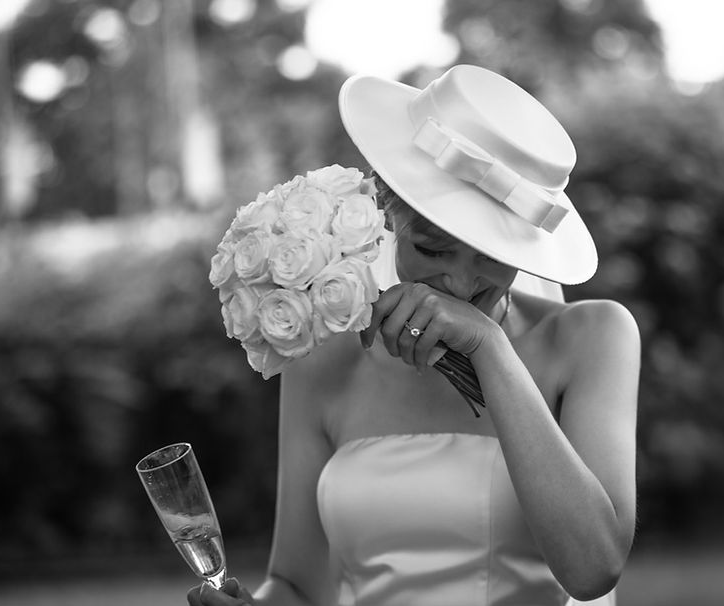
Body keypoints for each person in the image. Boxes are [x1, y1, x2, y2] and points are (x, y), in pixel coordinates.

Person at [189, 65, 640, 606]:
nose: (460, 283)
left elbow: (593, 569)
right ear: (386, 214)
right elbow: (299, 585)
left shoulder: (592, 337)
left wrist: (490, 349)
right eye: (432, 248)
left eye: (494, 258)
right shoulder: (323, 362)